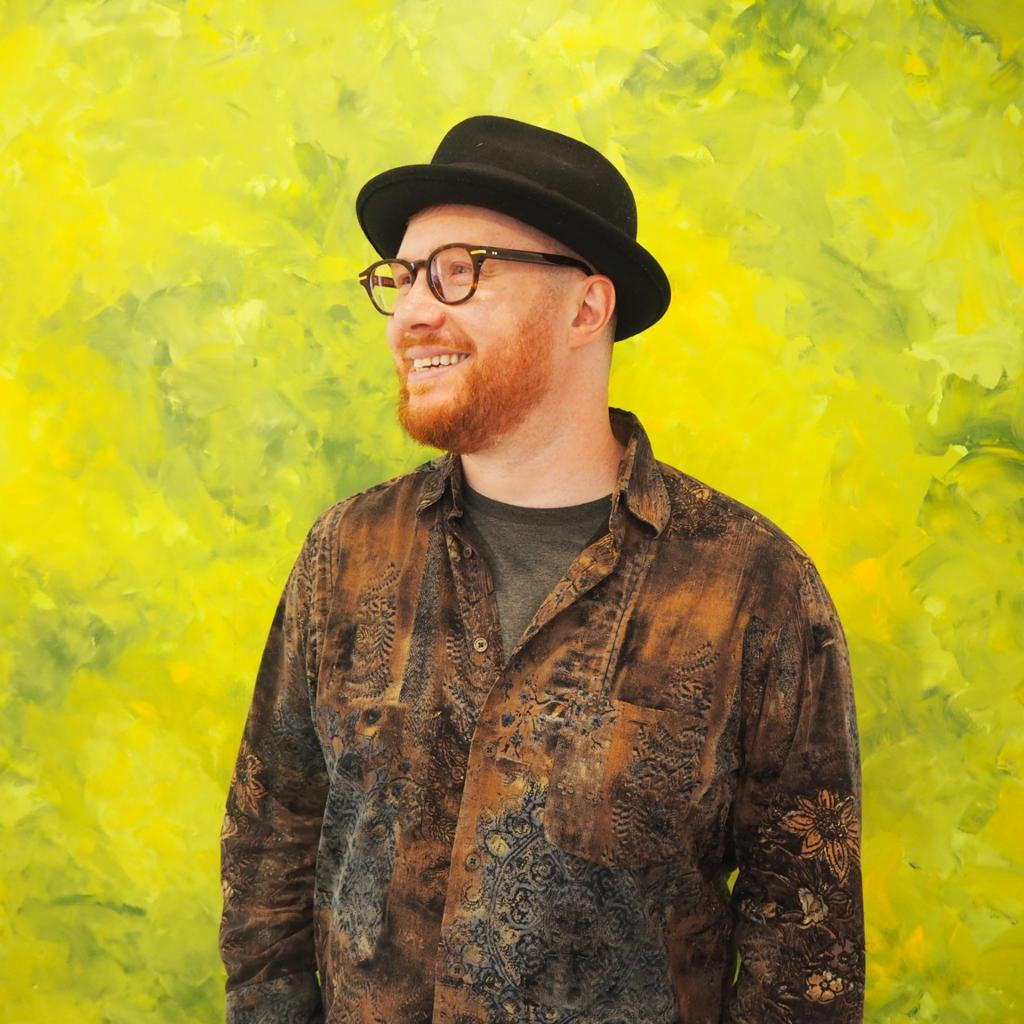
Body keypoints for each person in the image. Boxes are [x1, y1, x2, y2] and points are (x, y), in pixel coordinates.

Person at [218, 115, 864, 1024]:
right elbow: (268, 849)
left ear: (586, 308)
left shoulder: (751, 586)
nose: (412, 313)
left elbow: (806, 948)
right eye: (402, 278)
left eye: (459, 271)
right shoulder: (347, 553)